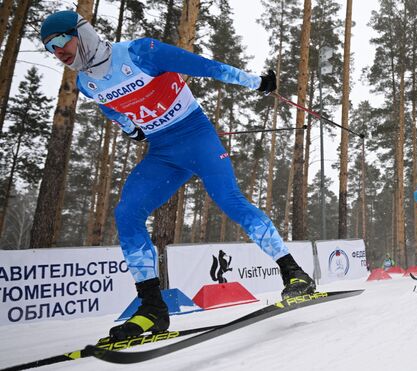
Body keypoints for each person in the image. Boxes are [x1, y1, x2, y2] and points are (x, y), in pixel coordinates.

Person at [40, 10, 315, 340]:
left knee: (230, 201)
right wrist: (132, 130)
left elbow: (206, 68)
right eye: (49, 48)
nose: (57, 51)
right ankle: (152, 309)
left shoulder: (141, 52)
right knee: (127, 213)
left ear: (81, 32)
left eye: (59, 40)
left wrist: (257, 83)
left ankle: (294, 273)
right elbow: (110, 108)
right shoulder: (86, 82)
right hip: (162, 153)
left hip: (197, 137)